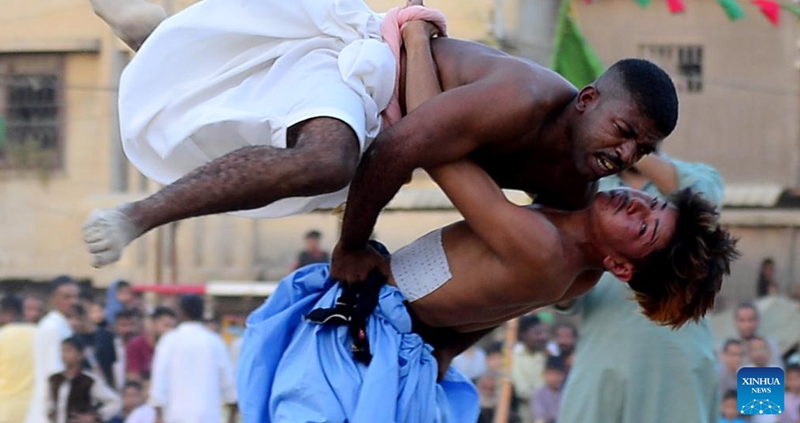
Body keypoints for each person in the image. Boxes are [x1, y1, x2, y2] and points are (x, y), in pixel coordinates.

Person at [81, 0, 679, 274]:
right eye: (623, 129)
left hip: (387, 127)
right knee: (325, 159)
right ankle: (138, 215)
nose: (625, 152)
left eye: (641, 148)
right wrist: (349, 248)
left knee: (263, 142)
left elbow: (537, 271)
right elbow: (398, 147)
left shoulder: (578, 192)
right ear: (588, 99)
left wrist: (446, 352)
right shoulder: (522, 97)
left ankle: (158, 39)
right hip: (367, 69)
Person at [237, 164, 737, 423]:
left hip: (363, 345)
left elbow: (442, 154)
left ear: (622, 266)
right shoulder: (581, 271)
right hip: (385, 347)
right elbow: (485, 309)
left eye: (647, 225)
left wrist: (412, 38)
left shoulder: (544, 248)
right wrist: (440, 358)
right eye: (648, 201)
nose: (636, 204)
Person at [555, 152, 726, 423]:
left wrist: (631, 148)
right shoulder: (588, 185)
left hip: (678, 359)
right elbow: (564, 296)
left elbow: (705, 207)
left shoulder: (697, 176)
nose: (636, 207)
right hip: (603, 356)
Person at [149, 295, 237, 423]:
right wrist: (232, 414)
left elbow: (159, 381)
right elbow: (228, 384)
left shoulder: (169, 341)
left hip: (176, 417)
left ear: (181, 313)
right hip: (208, 416)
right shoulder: (214, 341)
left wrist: (158, 414)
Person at [26, 276, 79, 423]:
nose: (73, 302)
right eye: (67, 297)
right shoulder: (52, 328)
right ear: (53, 299)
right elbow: (54, 371)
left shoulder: (61, 325)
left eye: (75, 297)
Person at [47, 336, 121, 423]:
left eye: (68, 351)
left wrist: (95, 416)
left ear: (80, 355)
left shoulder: (88, 380)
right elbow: (48, 404)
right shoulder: (55, 379)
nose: (64, 355)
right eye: (63, 351)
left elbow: (115, 401)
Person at [0, 295, 36, 423]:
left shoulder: (2, 336)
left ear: (9, 313)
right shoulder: (40, 334)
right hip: (36, 412)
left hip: (5, 412)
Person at [511, 315, 549, 423]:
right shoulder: (514, 356)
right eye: (537, 333)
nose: (542, 337)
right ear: (524, 335)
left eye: (543, 333)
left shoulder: (546, 354)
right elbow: (522, 390)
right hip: (525, 413)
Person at [125, 306, 177, 382]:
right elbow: (133, 376)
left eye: (173, 327)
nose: (170, 331)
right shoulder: (136, 345)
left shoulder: (175, 347)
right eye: (166, 325)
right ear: (153, 324)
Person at [733, 302, 783, 368]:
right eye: (742, 320)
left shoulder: (770, 345)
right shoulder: (728, 348)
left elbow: (778, 372)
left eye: (750, 320)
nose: (747, 325)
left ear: (757, 321)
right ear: (735, 322)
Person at [530, 356, 566, 423]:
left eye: (557, 374)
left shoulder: (567, 393)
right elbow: (539, 417)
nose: (554, 378)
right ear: (544, 374)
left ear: (563, 375)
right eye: (550, 374)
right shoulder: (538, 394)